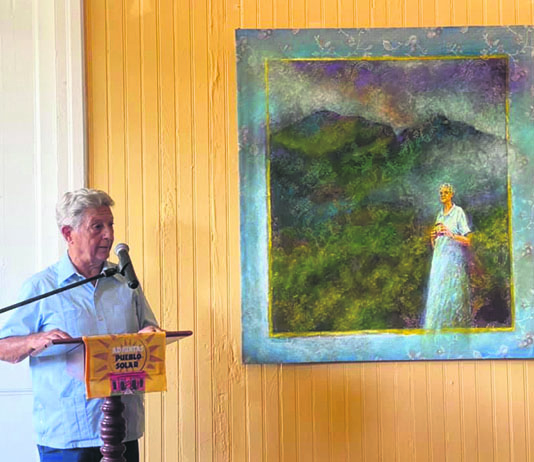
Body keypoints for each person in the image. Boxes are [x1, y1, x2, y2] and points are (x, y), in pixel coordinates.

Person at [0, 188, 161, 462]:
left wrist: (150, 336)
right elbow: (4, 347)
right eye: (97, 227)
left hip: (122, 429)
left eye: (110, 225)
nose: (109, 235)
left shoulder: (125, 282)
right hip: (68, 437)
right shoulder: (42, 287)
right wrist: (33, 340)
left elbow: (150, 329)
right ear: (68, 233)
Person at [422, 183, 472, 329]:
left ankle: (453, 330)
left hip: (453, 263)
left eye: (445, 193)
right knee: (437, 296)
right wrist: (433, 238)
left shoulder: (458, 212)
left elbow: (468, 240)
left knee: (452, 296)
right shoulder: (440, 215)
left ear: (451, 194)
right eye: (441, 193)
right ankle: (438, 329)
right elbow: (437, 246)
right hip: (439, 263)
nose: (442, 195)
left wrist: (451, 234)